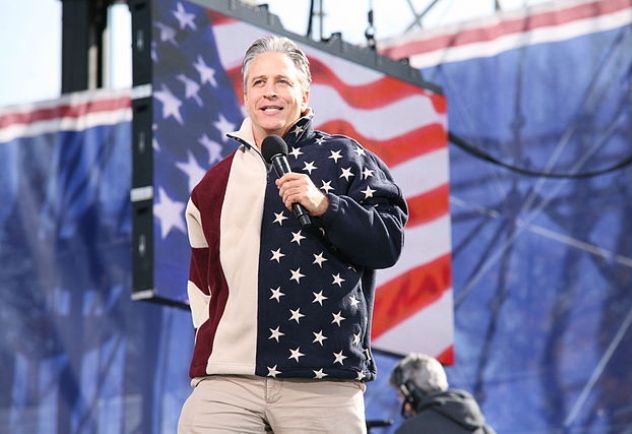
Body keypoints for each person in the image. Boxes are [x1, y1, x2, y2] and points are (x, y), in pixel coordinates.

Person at [177, 35, 408, 434]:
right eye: (259, 83)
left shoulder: (348, 159)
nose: (270, 92)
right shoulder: (211, 187)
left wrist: (325, 206)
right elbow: (202, 284)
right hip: (228, 380)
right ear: (246, 96)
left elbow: (387, 241)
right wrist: (210, 354)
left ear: (304, 94)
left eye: (282, 82)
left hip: (322, 380)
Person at [389, 353, 496, 434]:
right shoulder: (485, 430)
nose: (404, 406)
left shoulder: (411, 430)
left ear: (411, 391)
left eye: (400, 395)